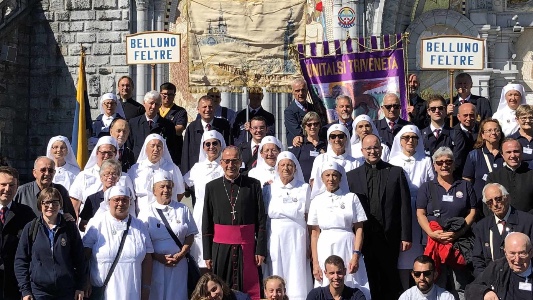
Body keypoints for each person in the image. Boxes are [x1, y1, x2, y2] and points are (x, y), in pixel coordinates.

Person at [346, 134, 412, 300]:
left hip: (389, 236)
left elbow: (404, 205)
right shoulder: (351, 176)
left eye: (376, 147)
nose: (372, 151)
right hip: (363, 238)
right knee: (367, 279)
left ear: (382, 149)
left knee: (389, 279)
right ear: (362, 151)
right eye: (368, 148)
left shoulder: (396, 172)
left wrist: (406, 236)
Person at [202, 146, 267, 300]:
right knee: (221, 287)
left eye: (234, 161)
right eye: (227, 161)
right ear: (221, 162)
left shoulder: (253, 185)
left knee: (247, 288)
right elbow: (206, 221)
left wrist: (260, 249)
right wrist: (207, 253)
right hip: (220, 248)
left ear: (241, 162)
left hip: (248, 246)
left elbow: (261, 220)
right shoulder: (212, 187)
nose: (230, 165)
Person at [416, 147, 476, 300]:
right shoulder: (426, 187)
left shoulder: (465, 185)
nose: (444, 165)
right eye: (440, 162)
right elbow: (420, 213)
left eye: (448, 161)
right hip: (434, 243)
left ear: (454, 164)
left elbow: (473, 211)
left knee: (460, 285)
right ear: (434, 165)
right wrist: (431, 232)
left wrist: (459, 232)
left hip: (459, 244)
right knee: (437, 284)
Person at [308, 161, 370, 299]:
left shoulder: (351, 198)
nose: (331, 179)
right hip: (324, 245)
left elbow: (359, 229)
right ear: (322, 178)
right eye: (327, 175)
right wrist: (316, 263)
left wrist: (356, 255)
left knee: (350, 278)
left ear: (340, 178)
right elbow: (314, 234)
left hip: (347, 244)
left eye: (335, 175)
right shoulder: (316, 201)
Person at [83, 185, 153, 300]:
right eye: (117, 200)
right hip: (104, 292)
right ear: (108, 201)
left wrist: (146, 288)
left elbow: (148, 258)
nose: (121, 203)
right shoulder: (97, 223)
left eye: (125, 200)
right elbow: (85, 255)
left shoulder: (139, 225)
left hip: (132, 292)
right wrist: (84, 282)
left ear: (130, 202)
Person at [14, 187, 85, 300]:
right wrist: (25, 290)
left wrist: (80, 286)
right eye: (46, 202)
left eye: (55, 202)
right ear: (40, 205)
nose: (51, 206)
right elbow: (21, 261)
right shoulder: (31, 228)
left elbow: (80, 258)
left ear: (60, 204)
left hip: (66, 290)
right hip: (39, 291)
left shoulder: (69, 227)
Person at [138, 170, 198, 300]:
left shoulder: (183, 209)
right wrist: (157, 256)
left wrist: (181, 254)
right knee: (157, 294)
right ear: (154, 191)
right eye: (162, 186)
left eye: (169, 186)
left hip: (179, 265)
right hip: (155, 265)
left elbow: (190, 234)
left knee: (177, 294)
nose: (166, 190)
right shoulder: (146, 212)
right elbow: (142, 240)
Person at [389, 125, 435, 290]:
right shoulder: (393, 161)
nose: (410, 141)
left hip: (421, 207)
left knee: (419, 250)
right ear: (400, 141)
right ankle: (403, 288)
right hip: (401, 208)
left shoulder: (426, 160)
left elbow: (431, 185)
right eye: (406, 138)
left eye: (414, 138)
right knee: (403, 253)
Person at [263, 151, 312, 300]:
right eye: (282, 165)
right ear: (277, 168)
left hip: (298, 237)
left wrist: (310, 245)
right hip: (275, 235)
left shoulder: (304, 188)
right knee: (276, 268)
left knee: (297, 271)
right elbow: (263, 217)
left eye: (290, 165)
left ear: (295, 168)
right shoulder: (268, 189)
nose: (286, 168)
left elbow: (309, 217)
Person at [183, 130, 226, 270]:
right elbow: (182, 185)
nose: (211, 147)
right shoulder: (197, 168)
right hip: (200, 211)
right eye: (207, 144)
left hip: (221, 210)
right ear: (203, 147)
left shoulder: (225, 167)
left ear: (221, 145)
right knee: (200, 247)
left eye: (215, 143)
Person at [471, 183, 533, 277]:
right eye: (490, 202)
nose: (495, 204)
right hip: (492, 281)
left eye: (498, 199)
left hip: (522, 279)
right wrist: (485, 282)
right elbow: (478, 259)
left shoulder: (528, 222)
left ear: (507, 198)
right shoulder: (482, 226)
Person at [69, 136, 135, 216]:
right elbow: (74, 207)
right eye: (103, 153)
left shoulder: (125, 178)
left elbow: (131, 206)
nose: (106, 156)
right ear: (97, 153)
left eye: (110, 153)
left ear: (116, 154)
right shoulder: (83, 175)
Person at [0, 167, 36, 300]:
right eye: (3, 185)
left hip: (15, 283)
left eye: (11, 185)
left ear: (17, 187)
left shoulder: (25, 213)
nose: (7, 189)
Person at [465, 232, 533, 300]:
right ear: (505, 253)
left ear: (531, 253)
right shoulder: (498, 267)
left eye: (522, 253)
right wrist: (485, 292)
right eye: (512, 254)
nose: (517, 259)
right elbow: (471, 288)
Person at [128, 134, 185, 212]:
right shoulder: (135, 169)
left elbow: (180, 192)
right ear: (146, 148)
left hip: (167, 214)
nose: (156, 149)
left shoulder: (172, 168)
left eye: (159, 146)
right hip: (143, 216)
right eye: (152, 146)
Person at [181, 95, 232, 176]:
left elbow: (229, 147)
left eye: (210, 106)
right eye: (204, 107)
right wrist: (186, 175)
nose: (207, 110)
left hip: (219, 170)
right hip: (198, 172)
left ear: (215, 108)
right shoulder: (192, 127)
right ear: (198, 109)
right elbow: (186, 154)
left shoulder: (224, 125)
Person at [127, 90, 181, 164]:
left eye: (156, 104)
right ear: (144, 103)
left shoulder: (168, 125)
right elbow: (129, 147)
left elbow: (172, 149)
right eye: (151, 103)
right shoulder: (133, 123)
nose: (153, 107)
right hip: (138, 166)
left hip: (160, 166)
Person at [421, 95, 467, 177]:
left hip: (450, 180)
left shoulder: (456, 134)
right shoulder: (421, 135)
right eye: (433, 109)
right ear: (428, 111)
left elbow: (458, 160)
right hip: (428, 182)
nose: (437, 111)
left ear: (445, 110)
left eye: (440, 108)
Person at [462, 119, 504, 207]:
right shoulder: (474, 155)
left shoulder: (507, 154)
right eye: (489, 130)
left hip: (503, 204)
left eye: (496, 130)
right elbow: (467, 182)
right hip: (481, 205)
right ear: (483, 135)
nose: (493, 133)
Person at [486, 138, 533, 214]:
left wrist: (527, 220)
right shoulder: (493, 177)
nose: (513, 155)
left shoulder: (531, 175)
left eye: (516, 151)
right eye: (508, 152)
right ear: (502, 155)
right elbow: (488, 204)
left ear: (522, 152)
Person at [310, 124, 359, 195]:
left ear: (346, 138)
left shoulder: (355, 162)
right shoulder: (320, 159)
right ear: (329, 139)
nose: (337, 140)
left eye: (341, 136)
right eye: (333, 137)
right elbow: (314, 183)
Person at [78, 159, 123, 231]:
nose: (110, 177)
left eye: (114, 174)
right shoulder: (92, 199)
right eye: (107, 174)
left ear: (118, 178)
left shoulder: (123, 199)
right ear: (101, 177)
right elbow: (82, 225)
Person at [289, 112, 327, 183]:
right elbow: (292, 164)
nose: (312, 127)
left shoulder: (326, 144)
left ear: (319, 125)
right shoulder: (299, 143)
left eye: (315, 124)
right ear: (304, 127)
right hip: (303, 185)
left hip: (322, 185)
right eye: (309, 124)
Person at [159, 82, 187, 166]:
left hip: (173, 152)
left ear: (174, 95)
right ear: (160, 94)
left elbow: (179, 129)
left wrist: (160, 129)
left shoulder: (180, 111)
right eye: (164, 94)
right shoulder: (155, 109)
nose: (167, 97)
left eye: (170, 94)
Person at [285, 78, 314, 147]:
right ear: (292, 92)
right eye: (297, 91)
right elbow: (297, 131)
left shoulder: (313, 108)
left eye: (303, 90)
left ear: (307, 91)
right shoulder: (289, 111)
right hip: (298, 147)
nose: (300, 93)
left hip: (313, 145)